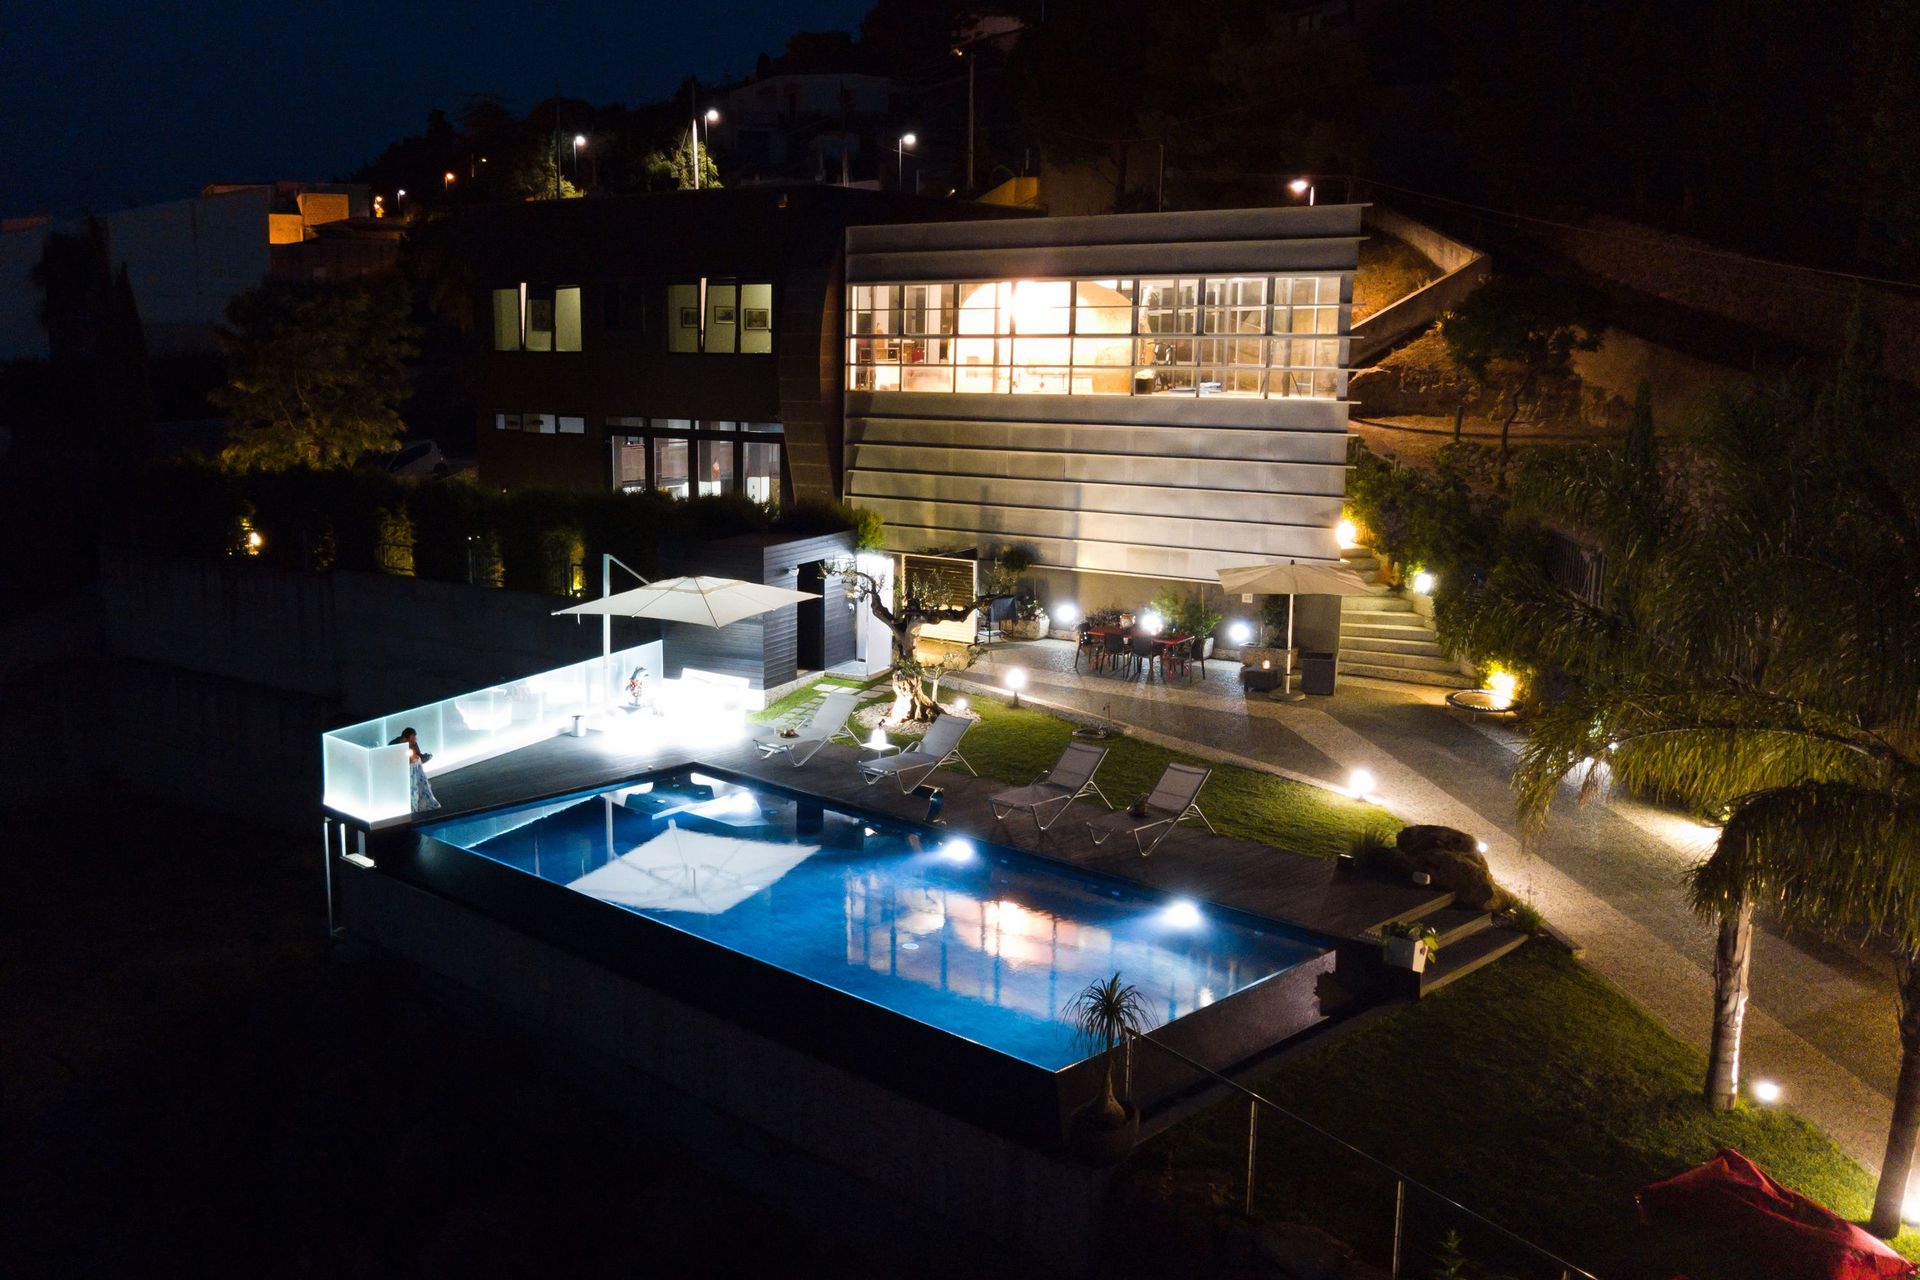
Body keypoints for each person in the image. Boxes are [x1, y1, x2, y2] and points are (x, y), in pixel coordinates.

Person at [390, 726, 440, 812]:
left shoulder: (413, 744)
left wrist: (425, 757)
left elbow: (418, 755)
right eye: (413, 737)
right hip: (401, 771)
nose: (415, 739)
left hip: (414, 768)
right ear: (407, 737)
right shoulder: (394, 745)